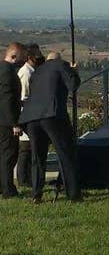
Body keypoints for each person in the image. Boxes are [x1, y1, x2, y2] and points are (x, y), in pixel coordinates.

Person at [19, 52, 82, 203]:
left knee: (38, 157)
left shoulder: (37, 71)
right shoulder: (61, 65)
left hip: (31, 118)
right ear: (58, 59)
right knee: (65, 153)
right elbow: (73, 85)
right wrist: (73, 72)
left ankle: (36, 194)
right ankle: (73, 194)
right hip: (52, 115)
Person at [16, 44, 45, 187]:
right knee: (25, 149)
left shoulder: (32, 71)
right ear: (29, 58)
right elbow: (23, 97)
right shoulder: (26, 74)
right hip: (27, 114)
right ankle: (23, 179)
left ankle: (27, 177)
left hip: (31, 113)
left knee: (29, 148)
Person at [0, 42, 26, 198]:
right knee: (9, 156)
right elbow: (7, 99)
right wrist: (14, 123)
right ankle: (8, 190)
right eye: (21, 58)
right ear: (14, 56)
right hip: (6, 122)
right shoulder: (8, 72)